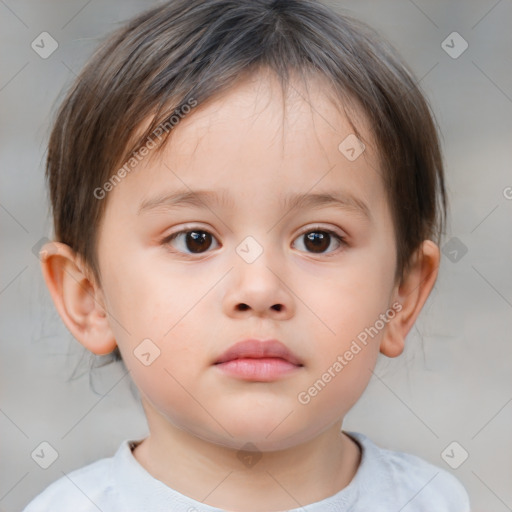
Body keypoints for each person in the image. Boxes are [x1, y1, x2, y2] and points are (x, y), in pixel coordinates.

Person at [24, 0, 471, 510]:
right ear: (89, 298)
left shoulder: (433, 500)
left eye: (318, 239)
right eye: (195, 239)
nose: (259, 290)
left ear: (402, 296)